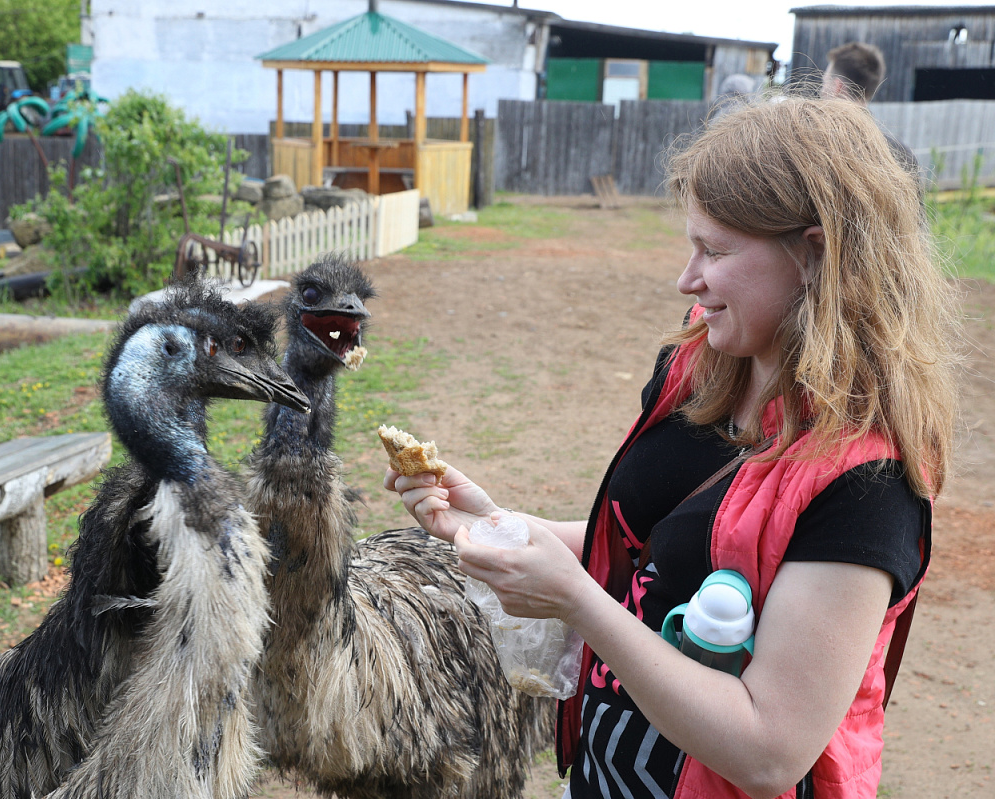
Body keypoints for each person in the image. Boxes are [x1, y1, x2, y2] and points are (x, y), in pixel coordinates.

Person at [386, 96, 959, 799]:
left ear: (815, 254)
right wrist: (497, 523)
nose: (687, 280)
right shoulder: (703, 366)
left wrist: (576, 602)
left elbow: (769, 751)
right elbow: (663, 555)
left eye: (715, 251)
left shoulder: (868, 481)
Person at [821, 42, 919, 174]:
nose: (821, 91)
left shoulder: (817, 148)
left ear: (837, 87)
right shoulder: (903, 155)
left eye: (825, 82)